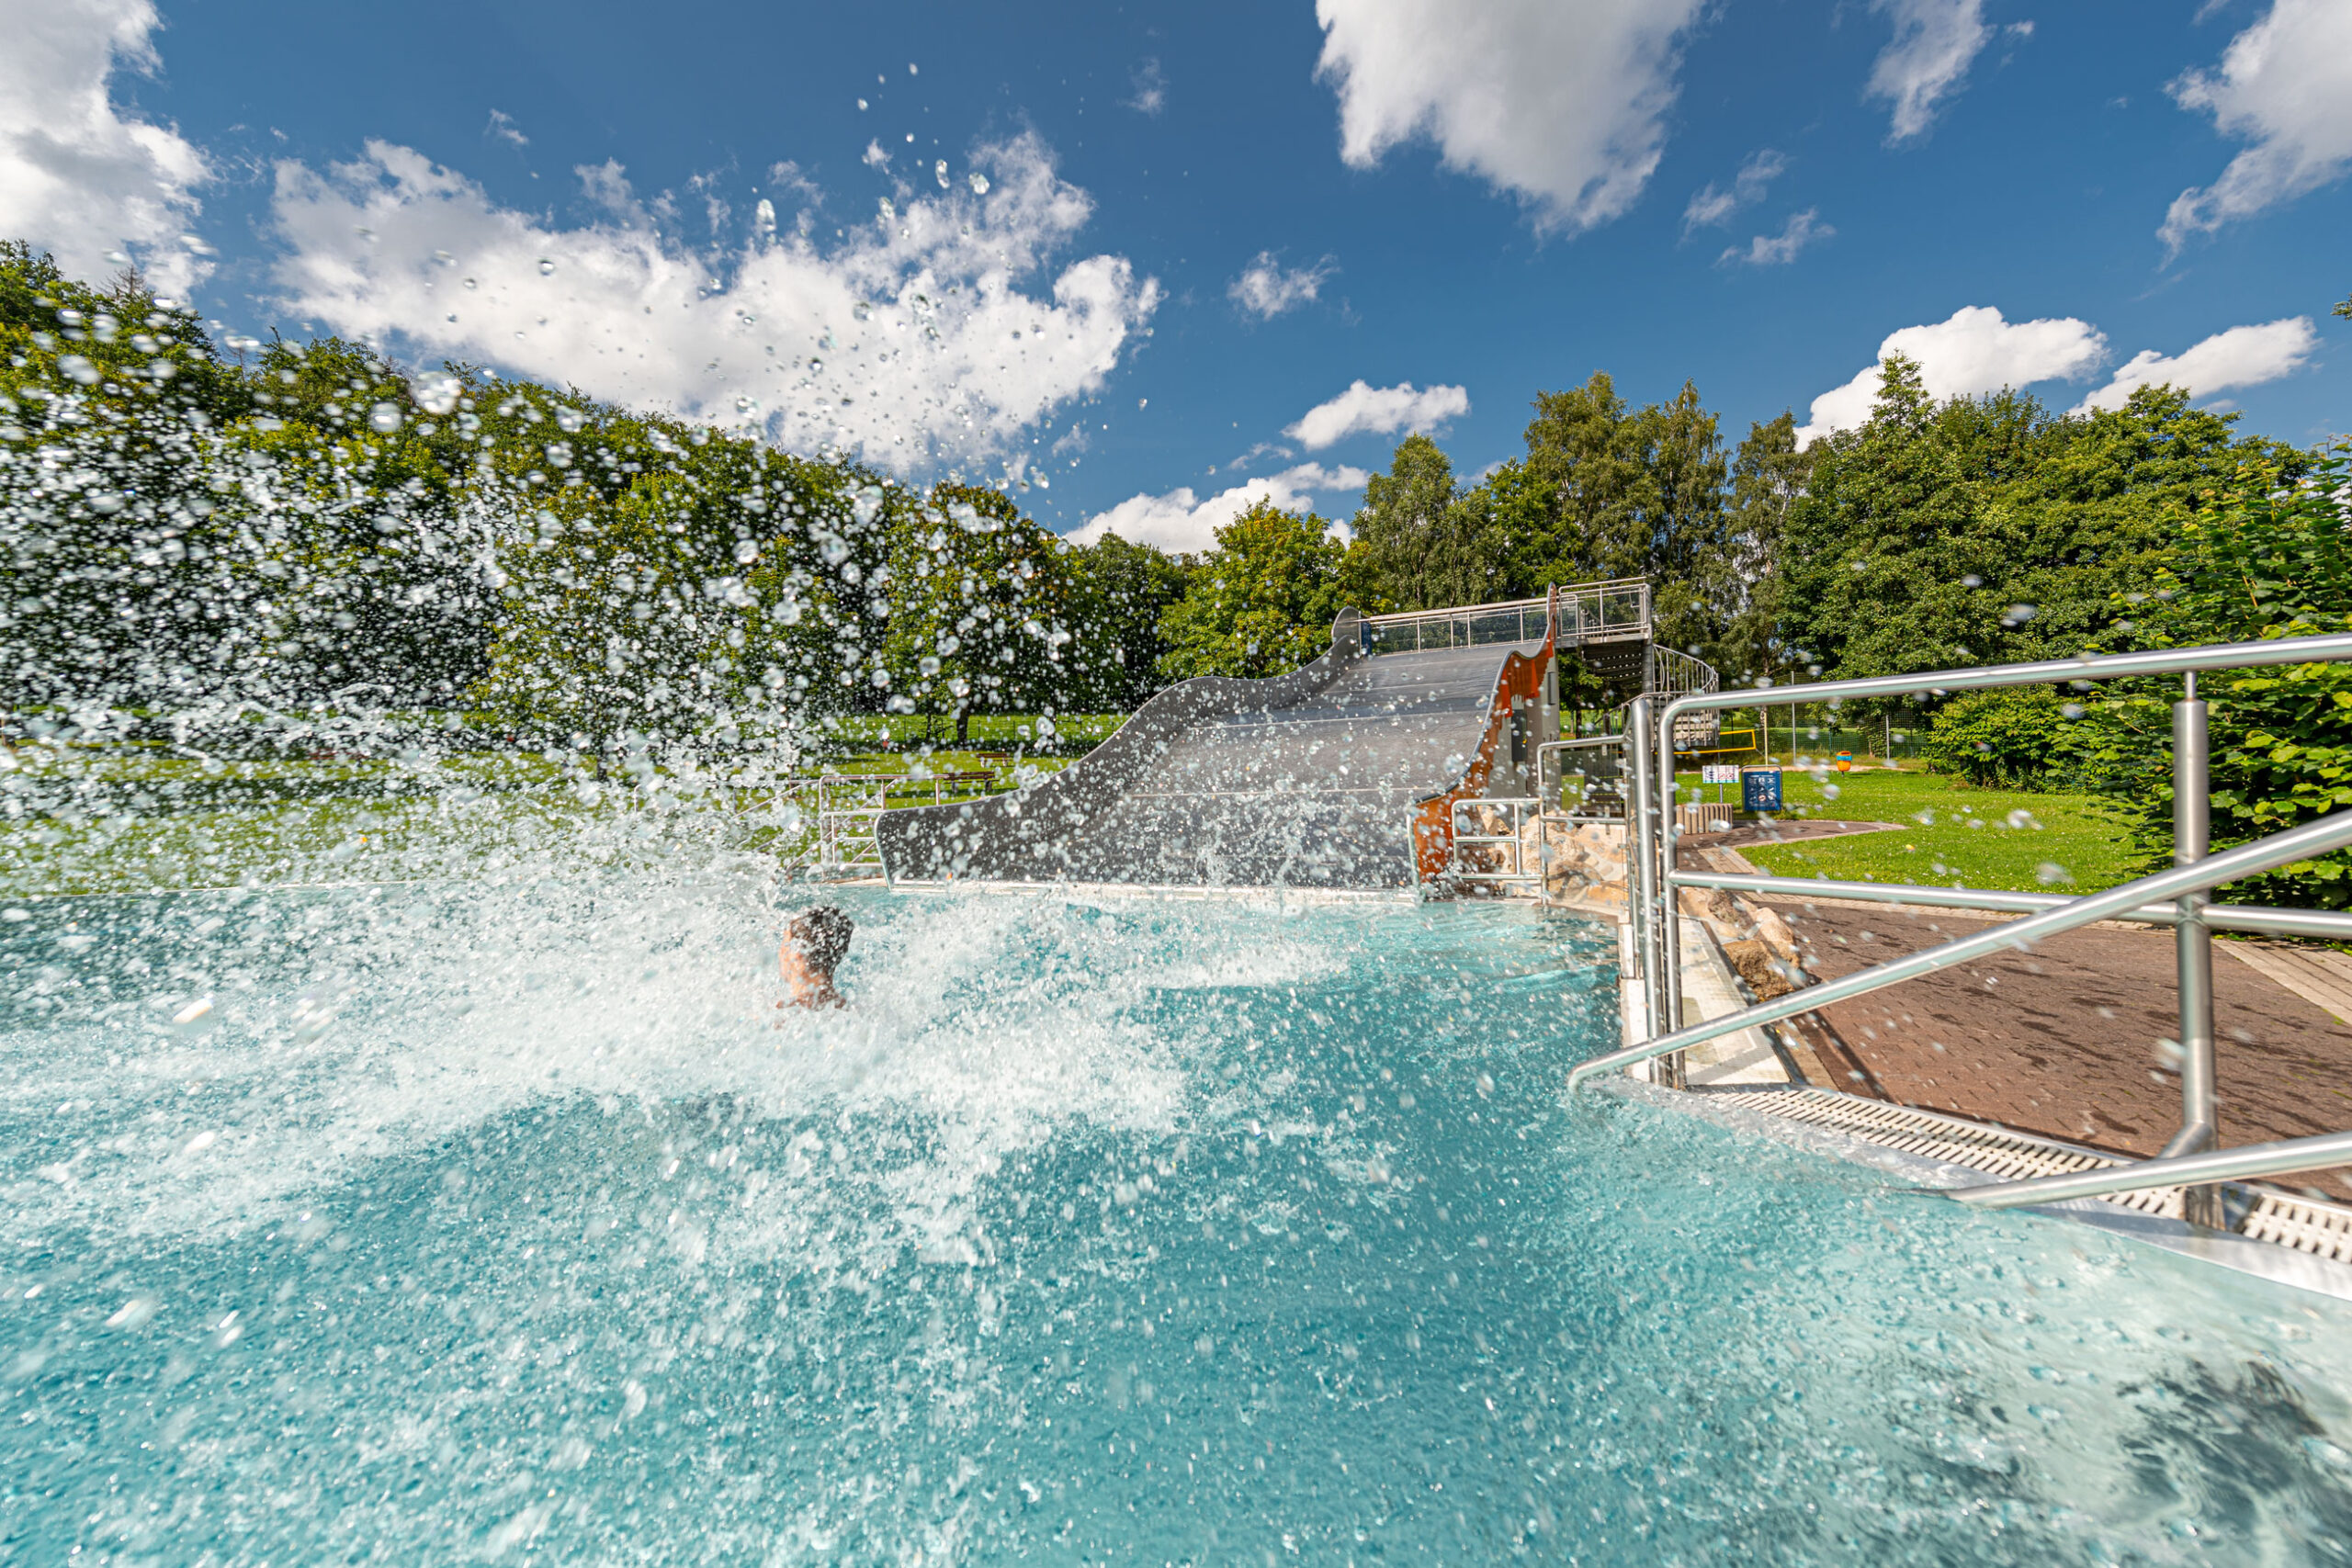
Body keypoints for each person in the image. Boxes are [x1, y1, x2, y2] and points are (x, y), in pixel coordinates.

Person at [778, 904, 854, 1009]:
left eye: (784, 944)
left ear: (798, 953)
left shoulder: (776, 1017)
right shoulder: (858, 1012)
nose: (780, 952)